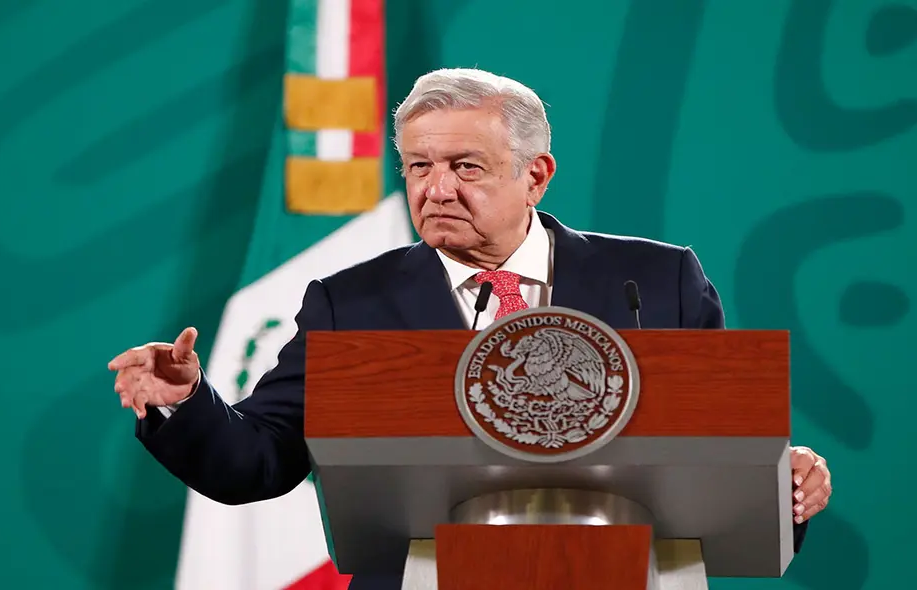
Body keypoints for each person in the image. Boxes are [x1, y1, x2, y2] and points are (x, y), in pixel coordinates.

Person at [109, 68, 832, 589]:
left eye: (465, 166)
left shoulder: (655, 281)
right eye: (417, 166)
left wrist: (785, 483)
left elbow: (721, 447)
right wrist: (186, 401)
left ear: (536, 174)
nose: (435, 188)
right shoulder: (350, 302)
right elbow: (260, 462)